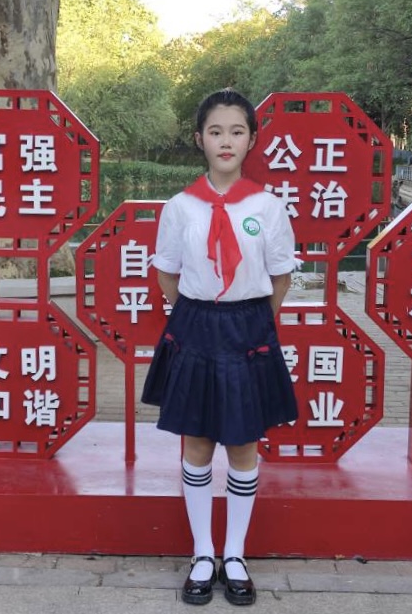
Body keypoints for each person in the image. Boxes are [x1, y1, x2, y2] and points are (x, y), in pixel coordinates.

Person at [141, 88, 301, 606]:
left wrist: (250, 319)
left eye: (236, 131)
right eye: (215, 132)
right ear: (200, 140)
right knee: (197, 442)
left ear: (251, 140)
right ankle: (202, 553)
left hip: (249, 327)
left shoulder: (267, 207)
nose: (226, 141)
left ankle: (235, 554)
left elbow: (280, 276)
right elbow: (167, 273)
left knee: (243, 444)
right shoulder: (180, 207)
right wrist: (199, 313)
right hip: (195, 325)